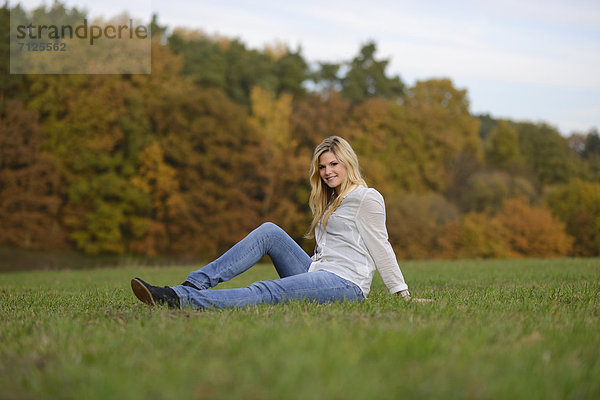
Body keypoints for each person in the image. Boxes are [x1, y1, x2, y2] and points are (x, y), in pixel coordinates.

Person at [131, 136, 411, 310]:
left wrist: (402, 294)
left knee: (268, 290)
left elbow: (381, 246)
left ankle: (179, 300)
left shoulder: (366, 198)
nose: (327, 172)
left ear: (348, 163)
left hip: (346, 284)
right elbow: (333, 247)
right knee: (269, 231)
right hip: (317, 271)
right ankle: (193, 285)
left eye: (334, 164)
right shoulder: (332, 199)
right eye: (322, 167)